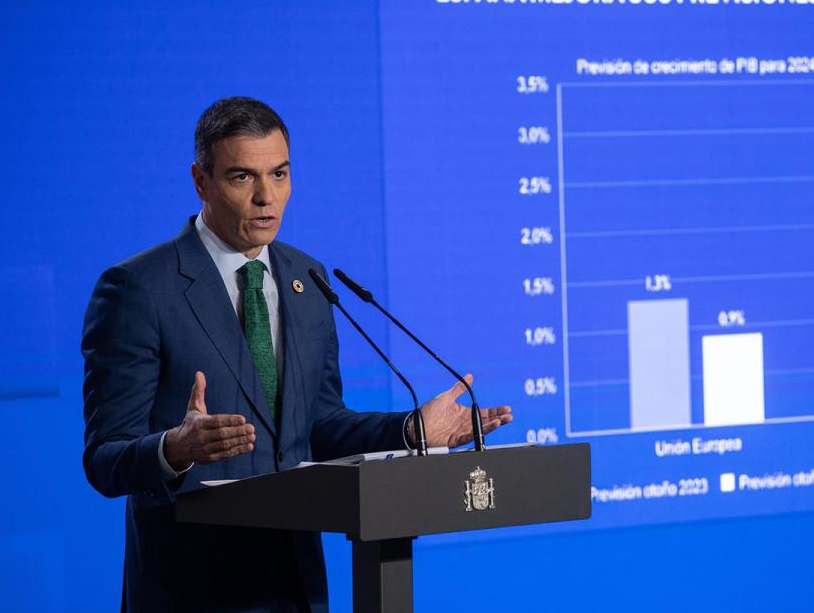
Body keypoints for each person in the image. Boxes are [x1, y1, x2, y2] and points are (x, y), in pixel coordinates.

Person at [81, 96, 512, 612]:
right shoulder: (139, 288)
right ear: (201, 181)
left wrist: (409, 432)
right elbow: (105, 459)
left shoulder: (305, 278)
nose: (267, 197)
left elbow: (320, 426)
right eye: (243, 177)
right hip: (191, 590)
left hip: (297, 587)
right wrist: (175, 448)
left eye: (280, 174)